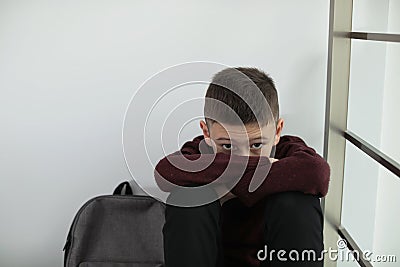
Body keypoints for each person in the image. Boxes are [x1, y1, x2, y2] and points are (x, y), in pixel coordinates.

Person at [154, 67, 330, 267]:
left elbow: (318, 174)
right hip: (212, 258)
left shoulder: (289, 151)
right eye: (227, 146)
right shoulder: (200, 151)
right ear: (206, 132)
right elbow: (164, 172)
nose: (243, 156)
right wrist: (263, 170)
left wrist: (226, 184)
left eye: (256, 145)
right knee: (188, 198)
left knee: (298, 202)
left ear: (278, 130)